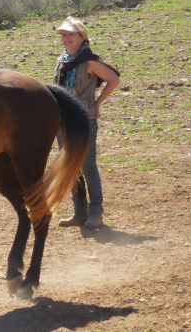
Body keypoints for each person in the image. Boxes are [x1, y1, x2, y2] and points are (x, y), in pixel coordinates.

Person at [53, 17, 120, 228]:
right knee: (71, 167)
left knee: (88, 166)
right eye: (63, 35)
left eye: (71, 34)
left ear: (82, 37)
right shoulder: (62, 59)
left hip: (84, 119)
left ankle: (96, 213)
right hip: (63, 120)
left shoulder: (90, 61)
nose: (66, 38)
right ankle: (79, 212)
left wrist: (97, 103)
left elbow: (114, 79)